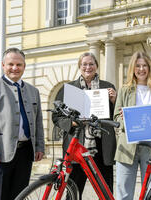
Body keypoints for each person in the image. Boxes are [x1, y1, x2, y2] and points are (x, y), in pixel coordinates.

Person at [0, 47, 45, 200]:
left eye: (19, 65)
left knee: (20, 196)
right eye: (10, 64)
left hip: (26, 152)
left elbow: (38, 120)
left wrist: (39, 146)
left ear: (24, 67)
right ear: (3, 65)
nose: (15, 68)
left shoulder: (33, 90)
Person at [54, 52, 117, 199]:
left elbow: (116, 117)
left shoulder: (107, 87)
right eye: (84, 64)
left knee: (105, 192)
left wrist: (114, 100)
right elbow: (56, 116)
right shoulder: (68, 89)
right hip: (76, 148)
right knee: (73, 192)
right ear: (79, 67)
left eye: (91, 64)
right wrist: (72, 123)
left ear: (96, 66)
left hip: (102, 148)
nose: (88, 67)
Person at [114, 51, 151, 200]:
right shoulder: (124, 90)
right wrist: (126, 121)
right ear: (133, 68)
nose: (141, 69)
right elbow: (116, 118)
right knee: (123, 192)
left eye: (145, 65)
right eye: (138, 66)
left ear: (150, 68)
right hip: (127, 146)